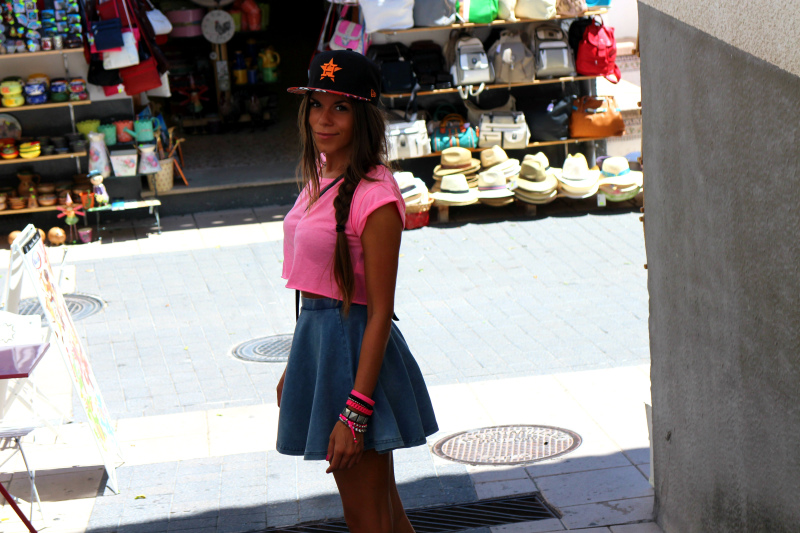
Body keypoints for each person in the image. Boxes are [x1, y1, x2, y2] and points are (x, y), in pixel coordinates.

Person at [276, 49, 439, 533]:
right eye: (316, 104)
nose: (323, 118)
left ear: (363, 116)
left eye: (340, 107)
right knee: (383, 512)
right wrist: (295, 364)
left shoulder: (375, 195)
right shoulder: (322, 174)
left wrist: (355, 412)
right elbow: (315, 286)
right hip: (324, 350)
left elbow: (380, 311)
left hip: (354, 359)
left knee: (367, 517)